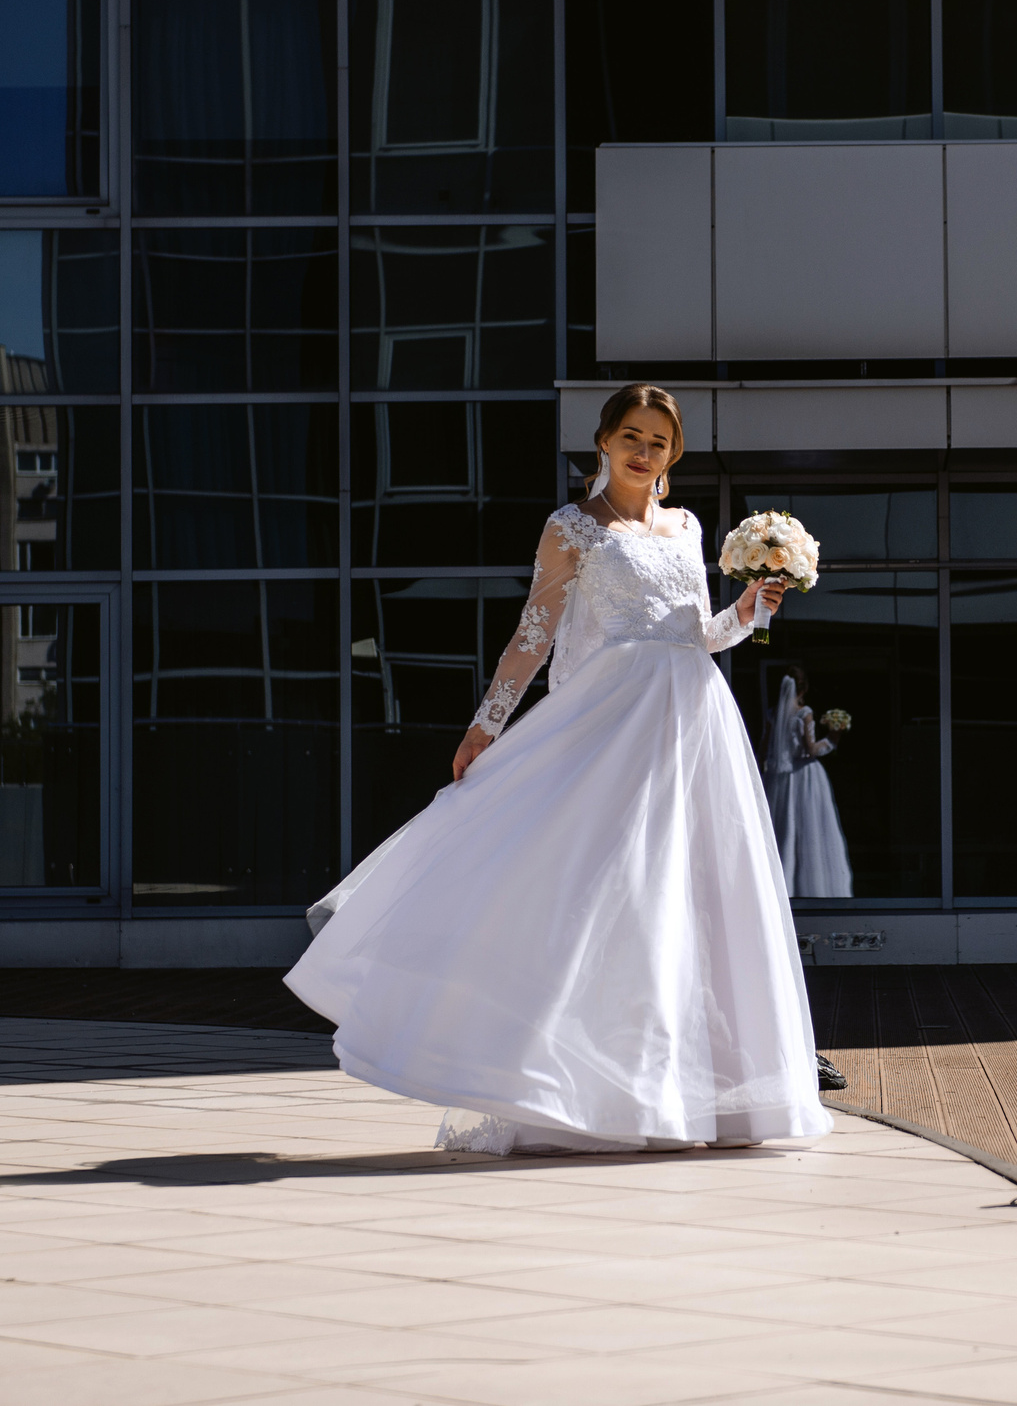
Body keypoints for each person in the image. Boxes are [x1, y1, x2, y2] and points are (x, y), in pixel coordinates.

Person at [286, 384, 832, 1155]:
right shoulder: (572, 527)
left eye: (659, 442)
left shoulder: (686, 527)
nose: (644, 452)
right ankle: (580, 1093)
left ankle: (694, 1098)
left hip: (693, 727)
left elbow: (697, 634)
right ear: (604, 441)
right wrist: (486, 725)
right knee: (604, 898)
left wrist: (749, 609)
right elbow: (532, 635)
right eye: (632, 436)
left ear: (673, 454)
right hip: (613, 726)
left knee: (691, 902)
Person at [763, 668, 854, 898]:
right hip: (805, 776)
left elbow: (763, 748)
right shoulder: (805, 713)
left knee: (783, 827)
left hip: (780, 778)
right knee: (810, 829)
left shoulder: (773, 714)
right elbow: (811, 749)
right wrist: (832, 739)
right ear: (803, 689)